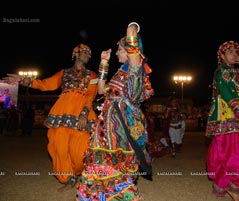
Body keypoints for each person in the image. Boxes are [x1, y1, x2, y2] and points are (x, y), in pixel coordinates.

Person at [76, 22, 154, 201]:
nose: (117, 52)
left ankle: (125, 195)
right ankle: (101, 194)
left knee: (116, 163)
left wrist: (132, 28)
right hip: (107, 124)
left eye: (120, 49)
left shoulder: (136, 69)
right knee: (101, 160)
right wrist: (103, 62)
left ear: (129, 50)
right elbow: (102, 90)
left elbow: (135, 51)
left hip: (121, 125)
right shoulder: (121, 72)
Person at [2, 44, 98, 186]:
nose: (88, 55)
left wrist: (84, 114)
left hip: (82, 112)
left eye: (90, 54)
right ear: (76, 54)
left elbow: (91, 95)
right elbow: (45, 84)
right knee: (59, 145)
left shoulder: (93, 75)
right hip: (62, 111)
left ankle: (79, 170)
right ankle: (66, 176)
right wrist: (23, 80)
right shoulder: (63, 73)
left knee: (81, 149)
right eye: (85, 52)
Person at [205, 41, 239, 201]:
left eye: (237, 52)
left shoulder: (234, 73)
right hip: (229, 117)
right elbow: (225, 92)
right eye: (230, 51)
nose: (234, 54)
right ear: (221, 55)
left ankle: (218, 192)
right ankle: (234, 188)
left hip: (236, 117)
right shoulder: (222, 71)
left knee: (229, 157)